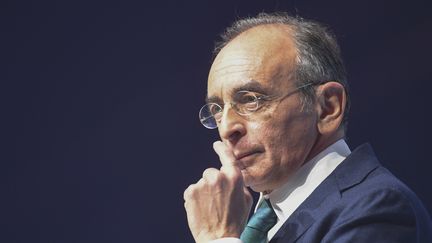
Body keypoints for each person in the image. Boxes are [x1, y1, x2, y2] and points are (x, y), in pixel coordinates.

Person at [183, 13, 432, 243]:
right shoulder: (255, 222)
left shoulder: (379, 208)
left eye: (251, 100)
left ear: (327, 108)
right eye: (217, 109)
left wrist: (219, 238)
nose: (227, 128)